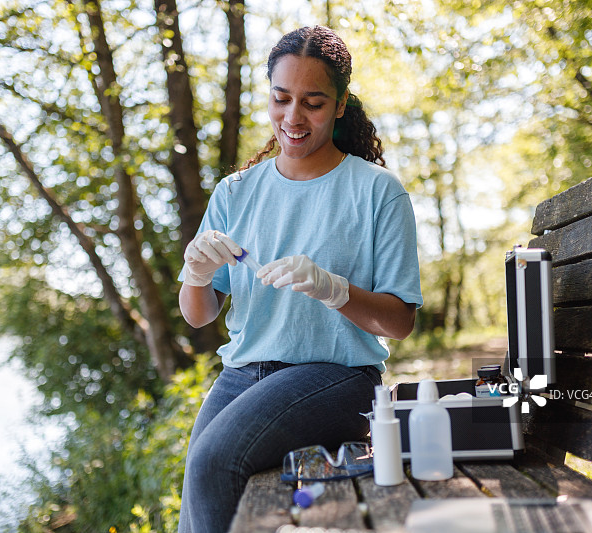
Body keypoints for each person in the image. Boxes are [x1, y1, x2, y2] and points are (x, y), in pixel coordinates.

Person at [176, 25, 423, 533]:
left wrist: (336, 291)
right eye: (281, 98)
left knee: (212, 463)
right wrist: (196, 273)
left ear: (339, 104)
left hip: (337, 377)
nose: (293, 117)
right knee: (195, 486)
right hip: (243, 374)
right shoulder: (235, 191)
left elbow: (399, 322)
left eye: (312, 102)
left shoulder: (379, 193)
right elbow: (199, 315)